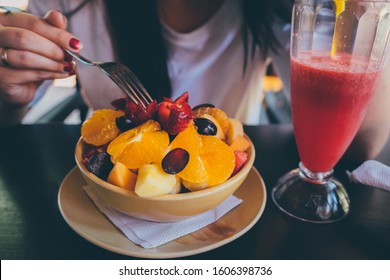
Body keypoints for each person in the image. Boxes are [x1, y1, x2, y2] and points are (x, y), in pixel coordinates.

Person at [0, 0, 389, 162]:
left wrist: (362, 15)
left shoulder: (277, 9)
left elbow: (356, 147)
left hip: (226, 196)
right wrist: (9, 95)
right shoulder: (68, 5)